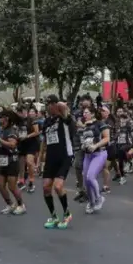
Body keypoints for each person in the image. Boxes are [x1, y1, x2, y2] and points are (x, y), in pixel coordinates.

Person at [41, 95, 76, 229]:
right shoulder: (46, 122)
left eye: (52, 103)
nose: (49, 106)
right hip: (50, 158)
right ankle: (54, 216)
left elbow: (66, 112)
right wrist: (40, 159)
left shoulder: (64, 118)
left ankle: (67, 213)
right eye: (47, 104)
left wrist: (61, 107)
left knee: (58, 186)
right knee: (46, 187)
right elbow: (44, 141)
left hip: (65, 156)